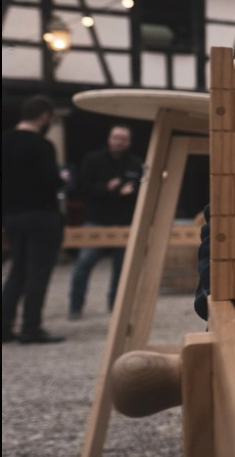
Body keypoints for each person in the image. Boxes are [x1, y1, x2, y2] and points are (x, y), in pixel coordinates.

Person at [3, 96, 66, 344]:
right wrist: (62, 177)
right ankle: (31, 327)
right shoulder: (42, 145)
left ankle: (4, 325)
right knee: (37, 272)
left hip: (13, 216)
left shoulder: (4, 141)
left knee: (17, 269)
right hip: (41, 214)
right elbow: (50, 182)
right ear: (43, 115)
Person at [68, 124, 142, 319]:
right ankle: (76, 305)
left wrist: (130, 192)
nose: (119, 141)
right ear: (109, 139)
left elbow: (142, 191)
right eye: (116, 137)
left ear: (129, 142)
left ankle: (116, 307)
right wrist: (108, 189)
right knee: (84, 263)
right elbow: (82, 188)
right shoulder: (93, 160)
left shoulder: (135, 164)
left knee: (122, 268)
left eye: (123, 138)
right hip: (97, 220)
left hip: (124, 222)